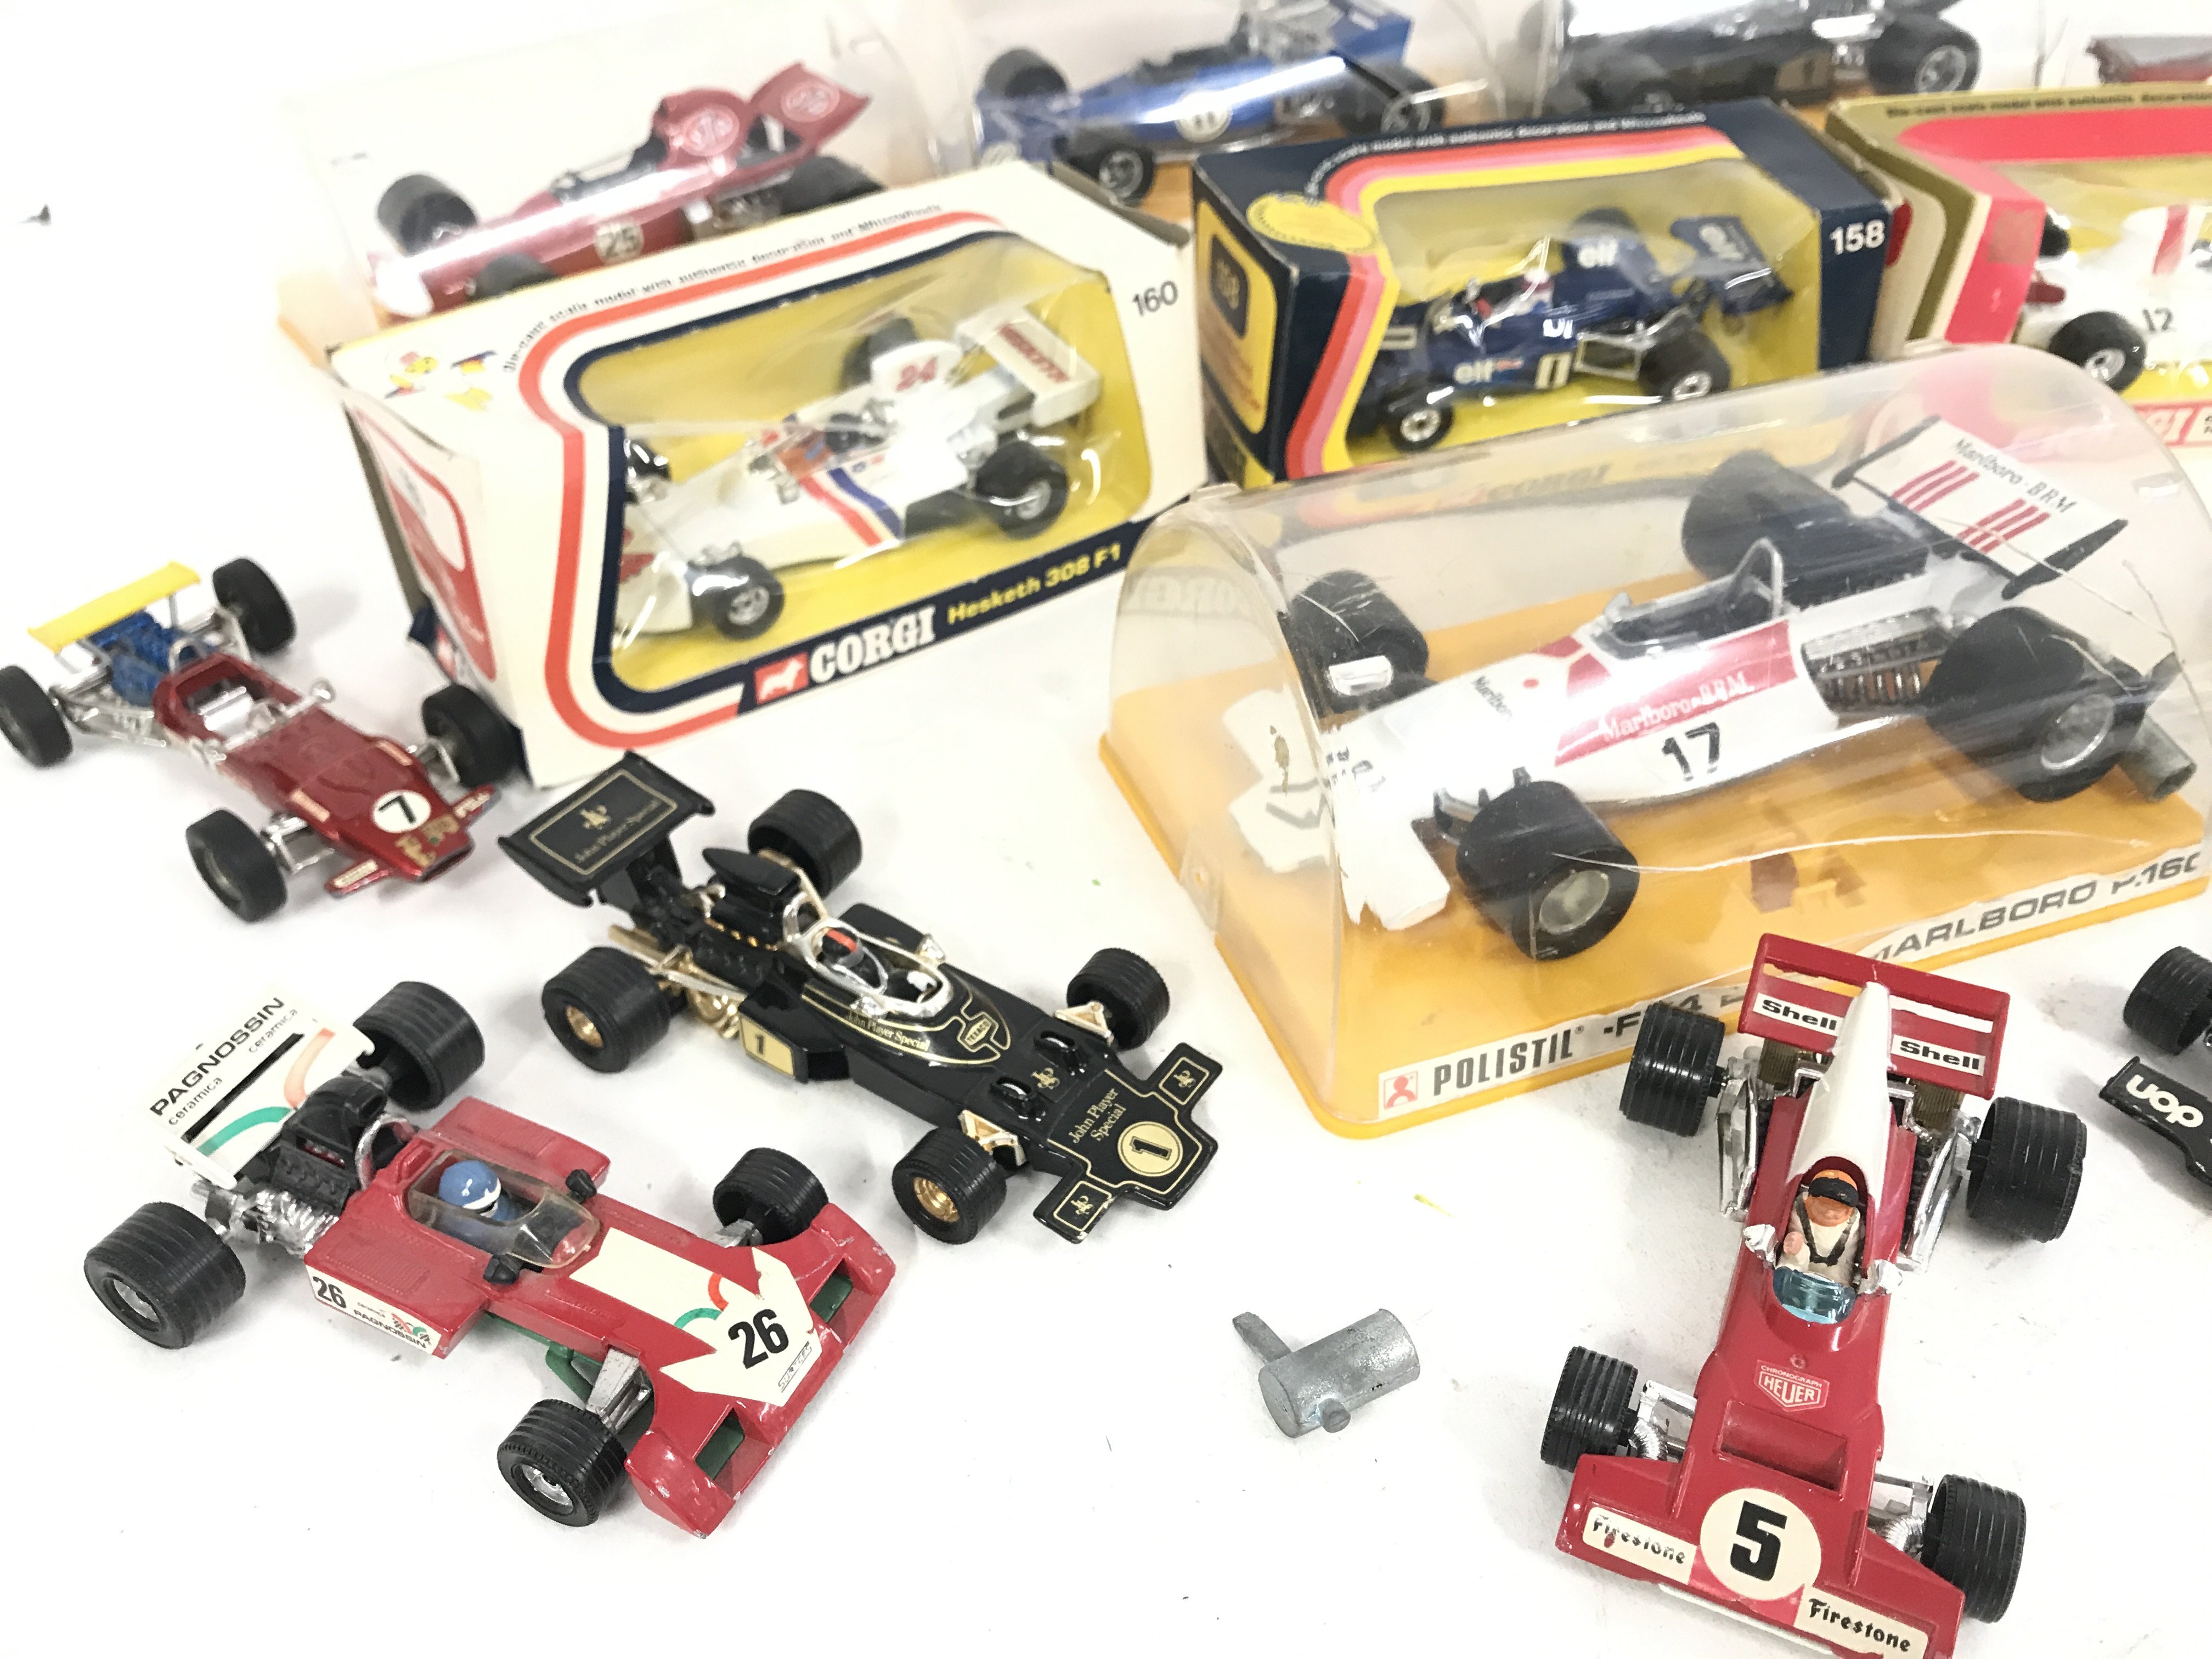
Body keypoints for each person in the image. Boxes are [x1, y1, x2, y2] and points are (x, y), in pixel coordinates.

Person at [1771, 1167, 1865, 1325]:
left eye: (1836, 1211)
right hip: (1796, 1270)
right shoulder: (1799, 1211)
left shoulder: (1855, 1225)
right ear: (1811, 1200)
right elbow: (1792, 1258)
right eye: (1823, 1207)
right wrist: (1797, 1247)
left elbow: (1846, 1264)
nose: (1829, 1214)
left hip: (1835, 1275)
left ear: (1849, 1211)